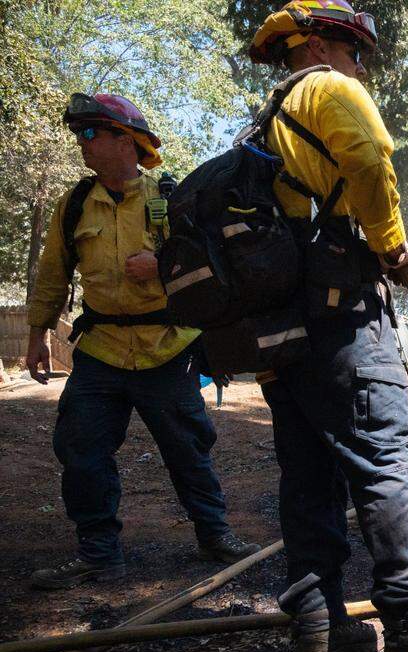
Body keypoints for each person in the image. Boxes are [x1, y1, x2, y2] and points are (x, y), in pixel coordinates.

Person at [248, 0, 408, 652]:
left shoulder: (263, 128)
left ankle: (320, 630)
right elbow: (368, 158)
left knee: (310, 476)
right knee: (384, 459)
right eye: (358, 54)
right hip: (344, 321)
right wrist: (392, 248)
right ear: (325, 45)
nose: (361, 69)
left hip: (284, 336)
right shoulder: (328, 88)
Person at [24, 93, 261, 591]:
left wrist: (163, 266)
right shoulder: (73, 205)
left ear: (124, 140)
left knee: (188, 448)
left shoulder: (173, 198)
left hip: (168, 348)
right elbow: (52, 273)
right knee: (80, 448)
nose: (82, 144)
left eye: (91, 133)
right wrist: (37, 333)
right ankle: (98, 555)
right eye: (79, 135)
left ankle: (214, 536)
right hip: (101, 350)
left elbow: (215, 265)